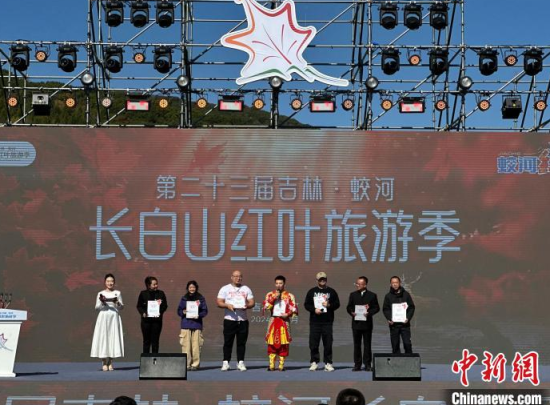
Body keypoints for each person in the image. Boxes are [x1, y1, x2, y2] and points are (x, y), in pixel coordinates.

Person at [217, 270, 255, 371]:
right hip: (229, 320)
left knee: (241, 343)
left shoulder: (246, 289)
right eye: (236, 276)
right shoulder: (225, 288)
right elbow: (219, 302)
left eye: (240, 276)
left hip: (243, 320)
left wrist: (247, 305)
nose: (238, 278)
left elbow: (252, 302)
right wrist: (227, 305)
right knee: (228, 342)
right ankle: (226, 362)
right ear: (231, 277)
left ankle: (240, 362)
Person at [304, 271, 340, 372]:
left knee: (328, 343)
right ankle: (314, 362)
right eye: (320, 279)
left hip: (327, 321)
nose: (322, 281)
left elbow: (337, 304)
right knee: (313, 343)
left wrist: (329, 305)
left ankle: (328, 363)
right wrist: (314, 310)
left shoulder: (332, 291)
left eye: (324, 279)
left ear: (326, 279)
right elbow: (306, 304)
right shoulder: (312, 291)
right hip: (315, 321)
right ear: (317, 280)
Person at [262, 275, 298, 371]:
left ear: (284, 284)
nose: (278, 285)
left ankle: (281, 365)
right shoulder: (270, 294)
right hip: (273, 320)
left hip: (284, 321)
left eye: (280, 283)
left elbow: (294, 309)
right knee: (271, 342)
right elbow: (266, 307)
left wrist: (288, 314)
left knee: (284, 343)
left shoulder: (290, 296)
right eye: (277, 283)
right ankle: (271, 365)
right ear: (275, 284)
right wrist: (274, 298)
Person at [90, 273, 124, 371]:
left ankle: (110, 362)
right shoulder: (100, 293)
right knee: (103, 338)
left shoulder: (117, 293)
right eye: (108, 281)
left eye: (112, 281)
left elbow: (121, 307)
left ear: (114, 282)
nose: (110, 283)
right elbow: (97, 307)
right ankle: (104, 361)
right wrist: (102, 302)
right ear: (105, 282)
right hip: (103, 317)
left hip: (114, 318)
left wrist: (117, 303)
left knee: (113, 338)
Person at [346, 276, 379, 371]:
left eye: (359, 284)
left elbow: (376, 308)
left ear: (365, 285)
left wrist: (369, 313)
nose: (357, 285)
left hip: (367, 324)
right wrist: (351, 312)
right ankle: (357, 364)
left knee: (367, 345)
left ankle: (367, 364)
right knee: (357, 345)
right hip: (356, 324)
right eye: (356, 283)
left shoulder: (372, 295)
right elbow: (349, 307)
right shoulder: (353, 295)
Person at [177, 280, 208, 370]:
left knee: (196, 346)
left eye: (193, 287)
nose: (192, 289)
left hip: (196, 324)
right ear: (187, 288)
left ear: (196, 288)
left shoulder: (201, 298)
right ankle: (187, 365)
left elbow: (205, 311)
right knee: (186, 346)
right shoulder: (184, 298)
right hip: (186, 324)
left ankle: (195, 364)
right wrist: (183, 312)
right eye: (190, 287)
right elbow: (179, 310)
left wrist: (199, 315)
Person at [383, 275, 416, 354]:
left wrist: (408, 318)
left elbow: (411, 307)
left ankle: (409, 360)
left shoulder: (406, 294)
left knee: (407, 344)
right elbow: (386, 309)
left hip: (405, 325)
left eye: (396, 282)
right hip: (394, 325)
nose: (395, 284)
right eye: (393, 283)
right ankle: (396, 361)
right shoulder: (388, 296)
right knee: (395, 345)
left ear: (399, 283)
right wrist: (389, 318)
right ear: (390, 284)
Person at [136, 276, 168, 353]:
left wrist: (159, 312)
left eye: (157, 284)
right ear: (148, 285)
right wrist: (143, 313)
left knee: (155, 341)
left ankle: (155, 359)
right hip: (146, 321)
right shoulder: (143, 294)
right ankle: (146, 359)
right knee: (146, 341)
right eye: (154, 284)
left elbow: (165, 306)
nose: (156, 285)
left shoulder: (161, 293)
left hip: (157, 321)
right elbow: (139, 306)